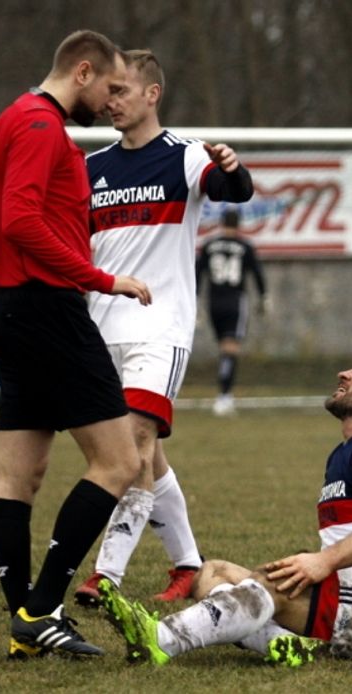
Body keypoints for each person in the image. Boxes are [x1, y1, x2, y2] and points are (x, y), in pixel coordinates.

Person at [0, 29, 153, 660]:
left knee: (20, 474)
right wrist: (102, 279)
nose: (110, 101)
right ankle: (42, 607)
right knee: (120, 462)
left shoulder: (7, 121)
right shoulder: (41, 127)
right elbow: (19, 220)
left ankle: (28, 622)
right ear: (82, 72)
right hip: (47, 307)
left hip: (14, 309)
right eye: (108, 86)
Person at [98, 341, 352, 666]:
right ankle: (282, 644)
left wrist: (324, 561)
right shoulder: (350, 448)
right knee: (211, 573)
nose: (345, 373)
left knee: (271, 585)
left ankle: (160, 638)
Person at [75, 49, 255, 606]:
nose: (111, 102)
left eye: (122, 91)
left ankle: (107, 577)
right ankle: (187, 567)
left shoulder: (184, 157)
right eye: (108, 92)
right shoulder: (92, 168)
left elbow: (236, 191)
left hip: (160, 329)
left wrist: (230, 166)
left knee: (133, 446)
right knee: (144, 458)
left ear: (152, 94)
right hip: (100, 332)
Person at [196, 208, 267, 416]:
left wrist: (195, 300)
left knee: (222, 347)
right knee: (230, 349)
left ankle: (223, 396)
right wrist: (264, 297)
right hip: (235, 301)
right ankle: (224, 397)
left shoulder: (209, 245)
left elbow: (198, 273)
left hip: (213, 302)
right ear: (239, 224)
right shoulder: (244, 246)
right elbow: (257, 273)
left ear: (221, 222)